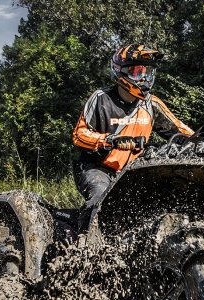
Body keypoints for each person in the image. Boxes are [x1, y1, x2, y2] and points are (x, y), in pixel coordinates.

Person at [72, 44, 194, 231]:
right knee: (100, 195)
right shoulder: (101, 98)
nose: (144, 77)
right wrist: (109, 140)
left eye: (147, 72)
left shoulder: (151, 104)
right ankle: (83, 248)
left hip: (132, 171)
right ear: (121, 72)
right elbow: (79, 135)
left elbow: (181, 130)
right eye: (138, 71)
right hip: (96, 167)